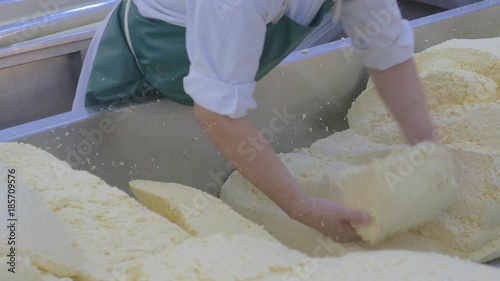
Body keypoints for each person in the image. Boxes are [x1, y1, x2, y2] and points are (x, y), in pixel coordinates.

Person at [74, 0, 437, 242]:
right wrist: (302, 207)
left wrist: (427, 151)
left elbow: (387, 50)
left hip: (217, 93)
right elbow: (215, 113)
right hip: (138, 83)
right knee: (118, 223)